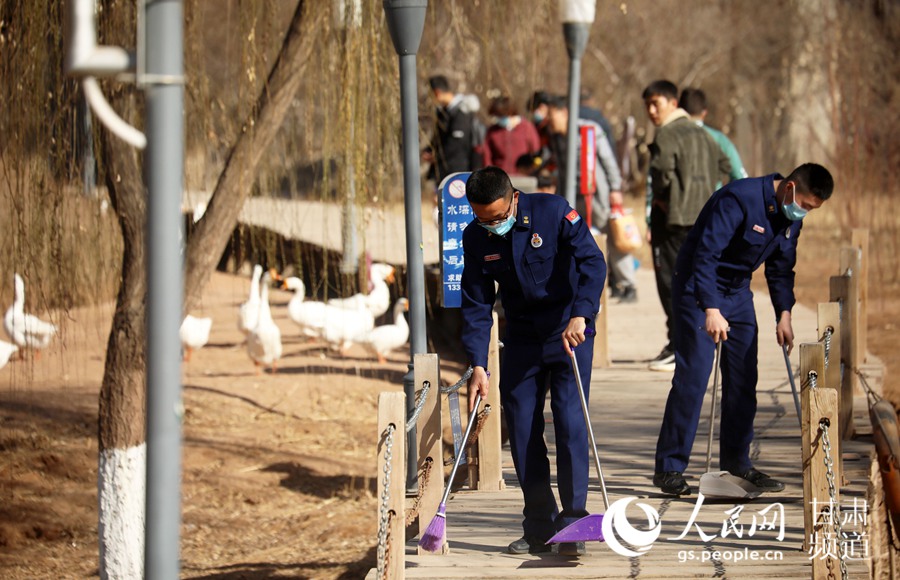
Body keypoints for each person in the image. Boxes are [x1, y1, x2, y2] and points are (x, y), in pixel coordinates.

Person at [653, 163, 834, 496]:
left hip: (737, 291)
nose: (803, 213)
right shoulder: (739, 199)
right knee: (694, 377)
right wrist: (710, 308)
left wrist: (784, 314)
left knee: (742, 378)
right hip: (698, 285)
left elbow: (781, 268)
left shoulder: (789, 219)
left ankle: (737, 465)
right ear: (790, 188)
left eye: (810, 210)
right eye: (804, 205)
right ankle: (670, 467)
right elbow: (705, 256)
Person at [461, 166, 606, 556]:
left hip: (568, 332)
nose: (490, 225)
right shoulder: (475, 237)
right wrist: (478, 364)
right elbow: (476, 304)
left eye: (497, 217)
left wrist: (582, 313)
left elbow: (593, 263)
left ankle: (574, 522)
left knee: (570, 423)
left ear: (513, 198)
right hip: (522, 338)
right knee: (523, 429)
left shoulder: (554, 212)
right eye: (481, 218)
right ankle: (540, 525)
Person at [642, 80, 731, 371]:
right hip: (702, 218)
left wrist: (668, 199)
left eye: (657, 103)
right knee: (699, 278)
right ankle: (692, 341)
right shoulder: (704, 133)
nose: (652, 110)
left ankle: (678, 344)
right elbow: (725, 164)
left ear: (673, 102)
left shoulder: (667, 134)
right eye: (648, 105)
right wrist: (707, 191)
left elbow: (661, 172)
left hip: (673, 219)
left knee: (671, 283)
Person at [548, 96, 637, 302]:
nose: (550, 122)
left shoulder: (588, 131)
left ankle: (627, 284)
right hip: (571, 196)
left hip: (597, 194)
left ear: (564, 113)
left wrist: (616, 187)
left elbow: (608, 160)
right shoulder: (555, 136)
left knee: (612, 236)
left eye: (552, 116)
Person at [679, 87, 748, 185]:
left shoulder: (670, 138)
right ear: (704, 113)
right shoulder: (719, 139)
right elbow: (740, 177)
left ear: (679, 109)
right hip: (712, 198)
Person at [422, 75, 484, 185]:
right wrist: (429, 150)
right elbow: (438, 138)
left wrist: (436, 156)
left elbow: (457, 144)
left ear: (437, 92)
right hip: (443, 170)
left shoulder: (461, 111)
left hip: (458, 172)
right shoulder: (443, 112)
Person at [483, 95, 541, 176]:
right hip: (500, 178)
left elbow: (535, 151)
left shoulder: (527, 128)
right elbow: (487, 156)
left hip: (523, 177)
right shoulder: (493, 131)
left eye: (501, 116)